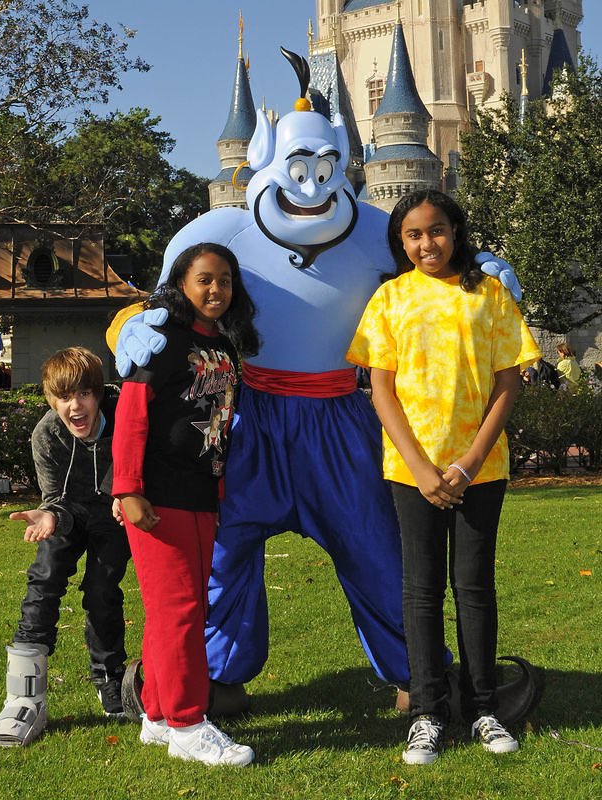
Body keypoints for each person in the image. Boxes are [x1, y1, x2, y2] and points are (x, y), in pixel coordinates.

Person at [108, 50, 525, 716]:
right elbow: (156, 304)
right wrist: (128, 328)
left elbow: (432, 257)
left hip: (341, 421)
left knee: (378, 555)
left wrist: (483, 265)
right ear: (267, 164)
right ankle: (208, 677)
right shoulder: (219, 232)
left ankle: (420, 677)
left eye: (323, 169)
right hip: (252, 423)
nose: (309, 186)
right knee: (221, 558)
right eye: (296, 170)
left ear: (343, 166)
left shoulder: (374, 233)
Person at [347, 189, 541, 765]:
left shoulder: (489, 295)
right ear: (399, 242)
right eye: (412, 234)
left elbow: (507, 383)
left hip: (482, 468)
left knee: (475, 587)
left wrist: (470, 462)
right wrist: (421, 467)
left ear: (455, 231)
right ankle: (428, 710)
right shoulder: (390, 299)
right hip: (412, 472)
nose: (425, 243)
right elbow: (380, 389)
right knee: (421, 590)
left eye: (435, 231)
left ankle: (483, 707)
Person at [111, 243, 259, 767]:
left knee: (180, 608)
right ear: (181, 282)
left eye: (224, 279)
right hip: (157, 495)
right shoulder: (160, 339)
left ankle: (155, 713)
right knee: (180, 612)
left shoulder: (223, 344)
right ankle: (189, 724)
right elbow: (131, 414)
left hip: (200, 493)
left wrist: (216, 494)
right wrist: (127, 489)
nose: (215, 289)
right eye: (203, 279)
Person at [0, 347, 131, 747]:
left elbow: (146, 461)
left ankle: (108, 678)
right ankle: (24, 694)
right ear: (51, 400)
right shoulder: (46, 434)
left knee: (102, 590)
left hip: (114, 514)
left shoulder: (126, 415)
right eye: (63, 397)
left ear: (98, 393)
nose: (75, 406)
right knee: (43, 579)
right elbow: (54, 497)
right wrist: (50, 516)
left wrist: (130, 493)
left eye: (83, 394)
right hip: (67, 513)